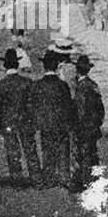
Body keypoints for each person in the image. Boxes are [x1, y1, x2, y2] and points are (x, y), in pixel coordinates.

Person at [28, 50, 76, 189]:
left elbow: (34, 106)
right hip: (61, 123)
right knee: (63, 150)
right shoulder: (62, 85)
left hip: (45, 124)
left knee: (47, 150)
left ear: (44, 66)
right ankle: (64, 176)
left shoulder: (37, 85)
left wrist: (37, 121)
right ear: (56, 66)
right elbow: (68, 106)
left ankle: (49, 177)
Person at [0, 48, 35, 180]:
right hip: (25, 121)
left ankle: (17, 179)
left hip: (8, 123)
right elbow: (32, 105)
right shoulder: (27, 82)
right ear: (17, 65)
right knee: (30, 151)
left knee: (12, 151)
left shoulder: (0, 85)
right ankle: (36, 177)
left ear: (5, 66)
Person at [72, 54, 105, 189]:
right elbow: (100, 109)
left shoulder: (80, 88)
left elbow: (80, 110)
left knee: (80, 155)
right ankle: (94, 180)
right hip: (93, 127)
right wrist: (97, 123)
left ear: (77, 70)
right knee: (92, 153)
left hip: (82, 127)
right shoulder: (93, 85)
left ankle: (80, 182)